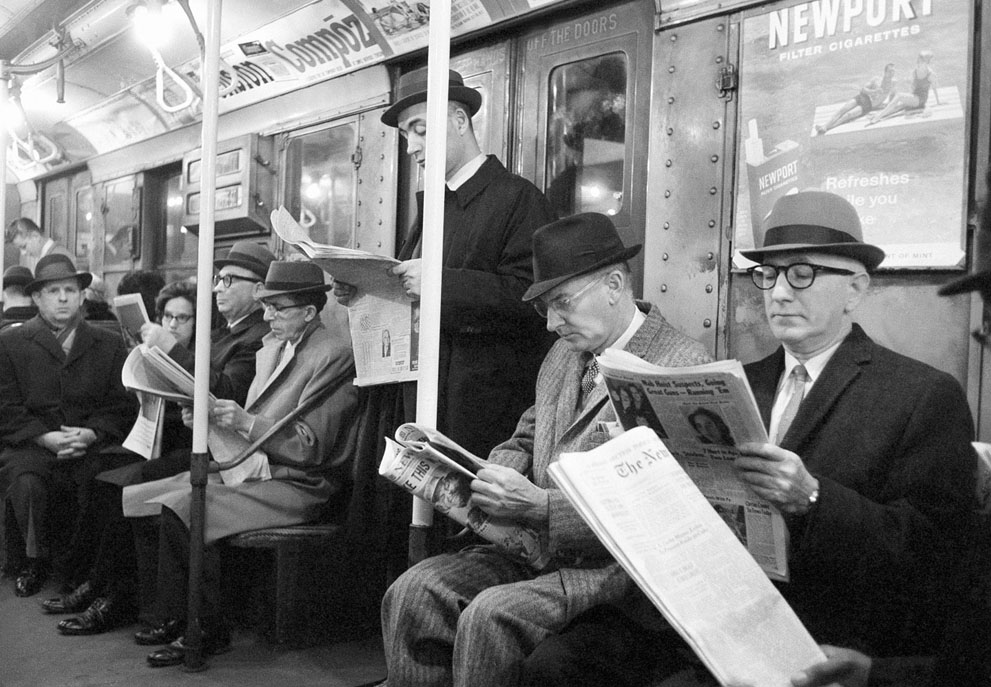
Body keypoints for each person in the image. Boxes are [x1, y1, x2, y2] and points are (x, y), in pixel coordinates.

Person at [519, 191, 976, 687]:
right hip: (707, 612)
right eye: (769, 274)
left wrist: (814, 499)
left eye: (802, 274)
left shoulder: (920, 395)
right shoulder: (734, 382)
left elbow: (935, 555)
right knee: (555, 664)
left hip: (821, 625)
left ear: (855, 288)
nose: (779, 293)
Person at [380, 212, 711, 687]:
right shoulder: (564, 355)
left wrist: (542, 507)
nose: (553, 323)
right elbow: (527, 436)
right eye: (544, 309)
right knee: (413, 592)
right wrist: (484, 476)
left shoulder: (678, 367)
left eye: (562, 303)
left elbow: (661, 506)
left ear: (614, 285)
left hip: (612, 569)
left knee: (491, 616)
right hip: (534, 549)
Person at [334, 67, 556, 572]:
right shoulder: (433, 208)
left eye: (420, 129)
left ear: (458, 120)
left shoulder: (516, 199)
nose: (412, 146)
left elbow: (532, 299)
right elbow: (414, 295)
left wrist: (440, 283)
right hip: (426, 395)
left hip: (484, 406)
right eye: (407, 134)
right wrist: (365, 289)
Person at [132, 261, 361, 667]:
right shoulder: (274, 347)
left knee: (186, 505)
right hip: (258, 468)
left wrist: (243, 421)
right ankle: (172, 613)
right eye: (266, 306)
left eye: (278, 308)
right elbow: (253, 424)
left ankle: (203, 629)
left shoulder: (333, 354)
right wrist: (209, 417)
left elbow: (311, 448)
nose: (268, 316)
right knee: (146, 498)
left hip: (299, 483)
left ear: (309, 311)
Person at [41, 243, 276, 637]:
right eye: (218, 279)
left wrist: (170, 350)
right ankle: (101, 586)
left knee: (127, 485)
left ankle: (118, 596)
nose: (218, 288)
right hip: (198, 438)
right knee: (104, 476)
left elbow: (227, 391)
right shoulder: (224, 334)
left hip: (224, 452)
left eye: (229, 280)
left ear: (259, 290)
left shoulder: (255, 338)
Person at [0, 254, 137, 597]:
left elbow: (121, 405)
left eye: (70, 290)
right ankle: (34, 561)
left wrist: (91, 433)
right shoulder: (10, 343)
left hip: (89, 443)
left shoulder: (109, 343)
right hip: (32, 443)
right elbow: (6, 406)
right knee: (27, 482)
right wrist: (44, 437)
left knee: (98, 480)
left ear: (81, 296)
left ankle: (81, 567)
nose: (63, 298)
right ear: (36, 297)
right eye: (53, 291)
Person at [815, 63, 895, 135]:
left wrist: (886, 104)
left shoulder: (893, 84)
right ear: (885, 72)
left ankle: (826, 128)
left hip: (868, 105)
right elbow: (863, 89)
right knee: (842, 110)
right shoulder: (876, 79)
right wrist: (874, 91)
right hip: (862, 96)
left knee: (848, 115)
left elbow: (892, 95)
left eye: (893, 71)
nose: (892, 73)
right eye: (890, 71)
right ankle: (825, 125)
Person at [867, 50, 939, 125]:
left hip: (921, 100)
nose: (917, 63)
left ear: (926, 63)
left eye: (920, 62)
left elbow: (934, 87)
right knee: (897, 106)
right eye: (917, 61)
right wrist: (909, 95)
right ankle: (877, 115)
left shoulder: (931, 74)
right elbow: (912, 86)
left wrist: (938, 102)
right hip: (914, 97)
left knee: (899, 96)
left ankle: (878, 117)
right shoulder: (915, 71)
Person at [5, 217, 72, 270]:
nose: (23, 253)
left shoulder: (60, 258)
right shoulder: (50, 256)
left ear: (35, 236)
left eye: (24, 246)